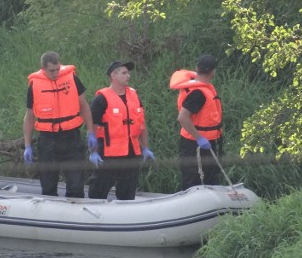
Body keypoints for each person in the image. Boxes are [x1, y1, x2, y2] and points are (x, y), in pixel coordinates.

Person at [23, 51, 97, 198]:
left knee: (76, 186)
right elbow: (29, 117)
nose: (56, 73)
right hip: (48, 140)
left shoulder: (72, 79)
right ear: (43, 69)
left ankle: (75, 214)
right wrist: (27, 146)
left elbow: (84, 106)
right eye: (51, 71)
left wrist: (91, 132)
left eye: (57, 69)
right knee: (48, 186)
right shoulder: (34, 85)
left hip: (71, 137)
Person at [88, 61, 155, 201]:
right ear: (113, 75)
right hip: (108, 154)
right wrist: (93, 152)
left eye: (128, 73)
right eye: (124, 73)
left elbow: (141, 125)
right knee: (99, 189)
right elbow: (92, 128)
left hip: (131, 153)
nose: (128, 76)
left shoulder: (134, 96)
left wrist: (146, 148)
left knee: (127, 192)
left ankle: (125, 217)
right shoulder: (101, 99)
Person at [169, 54, 223, 190]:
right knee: (193, 179)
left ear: (197, 68)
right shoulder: (198, 93)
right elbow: (182, 117)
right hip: (194, 144)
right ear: (212, 72)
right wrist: (199, 138)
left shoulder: (201, 89)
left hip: (207, 142)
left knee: (210, 177)